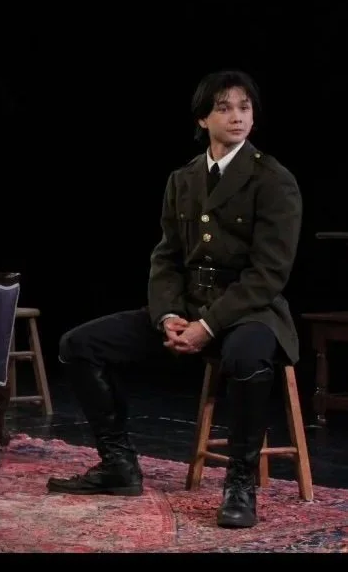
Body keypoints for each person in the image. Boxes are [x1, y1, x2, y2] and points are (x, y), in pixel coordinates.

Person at [47, 69, 302, 529]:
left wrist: (208, 326)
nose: (237, 116)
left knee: (247, 358)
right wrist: (168, 314)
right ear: (203, 117)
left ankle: (240, 485)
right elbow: (166, 257)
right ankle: (118, 464)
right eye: (224, 107)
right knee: (78, 345)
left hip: (249, 313)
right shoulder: (183, 179)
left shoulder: (273, 179)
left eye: (244, 107)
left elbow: (268, 275)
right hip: (185, 309)